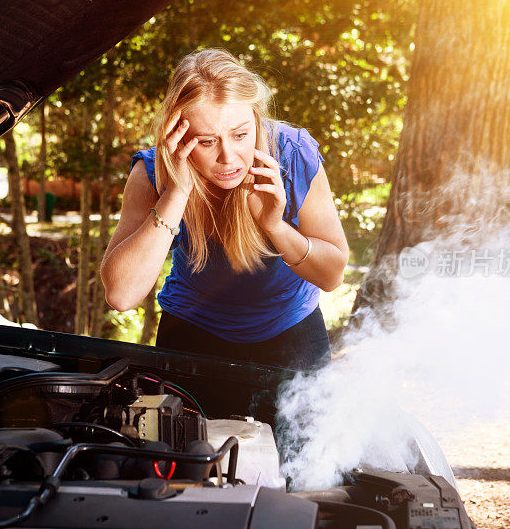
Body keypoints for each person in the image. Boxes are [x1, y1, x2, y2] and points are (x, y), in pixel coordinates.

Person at [101, 49, 348, 370]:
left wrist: (276, 227)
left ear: (257, 120)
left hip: (290, 330)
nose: (228, 157)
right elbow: (120, 296)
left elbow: (332, 276)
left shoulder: (293, 154)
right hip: (191, 331)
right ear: (180, 134)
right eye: (206, 141)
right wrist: (177, 193)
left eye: (241, 134)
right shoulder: (153, 172)